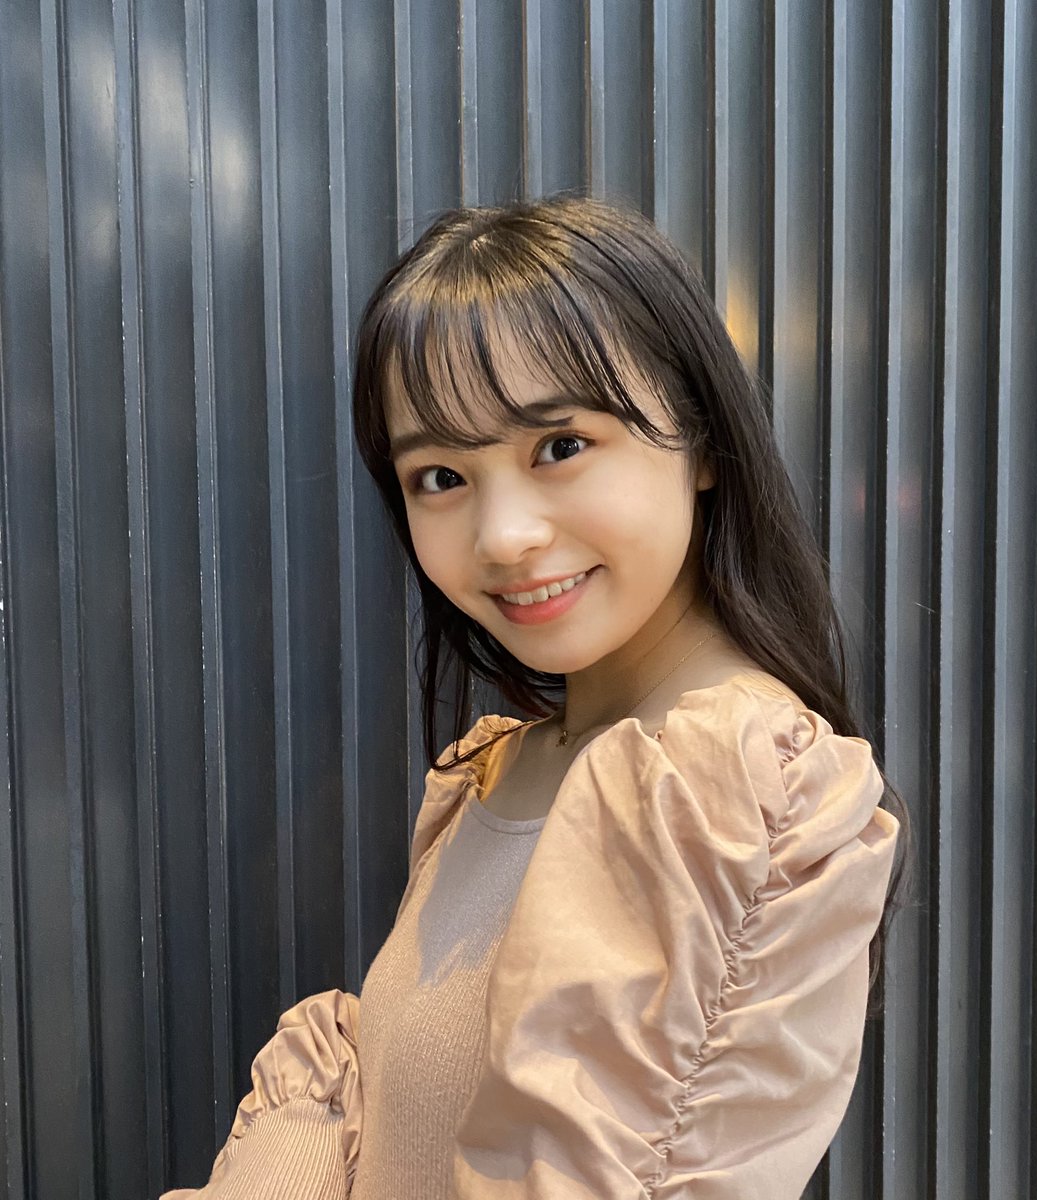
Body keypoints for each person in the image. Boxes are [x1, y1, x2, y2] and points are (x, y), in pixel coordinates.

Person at [162, 195, 908, 1200]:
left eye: (559, 446)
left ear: (701, 442)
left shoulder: (734, 781)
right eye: (439, 476)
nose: (504, 536)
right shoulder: (500, 768)